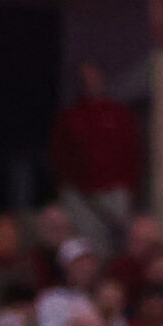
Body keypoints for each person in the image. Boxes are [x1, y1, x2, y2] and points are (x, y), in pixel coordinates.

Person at [50, 63, 142, 224]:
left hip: (115, 191)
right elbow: (59, 155)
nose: (90, 82)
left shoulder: (118, 114)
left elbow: (132, 152)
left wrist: (129, 186)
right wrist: (65, 187)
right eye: (85, 78)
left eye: (93, 77)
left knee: (116, 239)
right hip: (82, 194)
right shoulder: (70, 117)